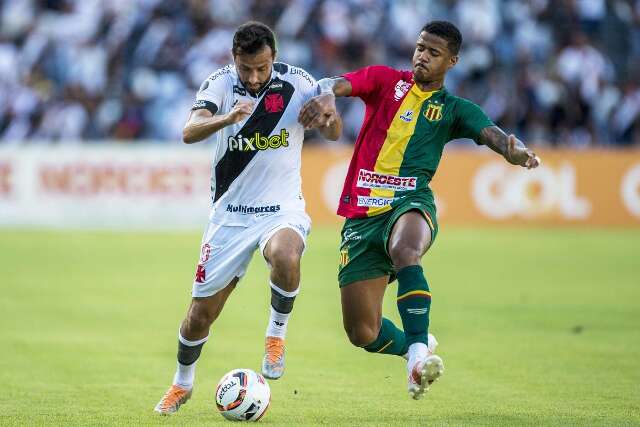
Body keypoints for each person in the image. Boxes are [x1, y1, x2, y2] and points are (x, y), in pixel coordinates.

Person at [298, 20, 540, 400]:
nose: (422, 57)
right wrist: (327, 94)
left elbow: (491, 133)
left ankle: (416, 359)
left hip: (410, 202)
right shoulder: (383, 81)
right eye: (420, 48)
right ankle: (419, 339)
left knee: (406, 249)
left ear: (452, 61)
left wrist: (511, 150)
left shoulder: (454, 109)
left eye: (433, 52)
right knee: (362, 333)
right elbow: (336, 83)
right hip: (362, 214)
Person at [154, 21, 341, 415]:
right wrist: (225, 119)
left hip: (281, 208)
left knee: (287, 256)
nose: (254, 77)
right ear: (234, 60)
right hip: (230, 216)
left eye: (261, 68)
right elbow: (189, 131)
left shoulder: (299, 82)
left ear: (274, 57)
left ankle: (275, 336)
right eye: (245, 69)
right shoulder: (221, 84)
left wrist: (328, 111)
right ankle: (181, 383)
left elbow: (334, 132)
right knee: (197, 318)